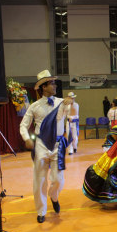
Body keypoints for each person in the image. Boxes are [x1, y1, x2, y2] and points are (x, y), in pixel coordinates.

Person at [20, 70, 73, 223]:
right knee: (40, 179)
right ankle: (41, 210)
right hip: (41, 145)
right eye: (51, 83)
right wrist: (26, 139)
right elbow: (23, 125)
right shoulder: (34, 106)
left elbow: (73, 113)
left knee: (58, 179)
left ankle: (54, 197)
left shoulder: (61, 102)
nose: (55, 85)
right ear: (43, 87)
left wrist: (73, 102)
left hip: (57, 144)